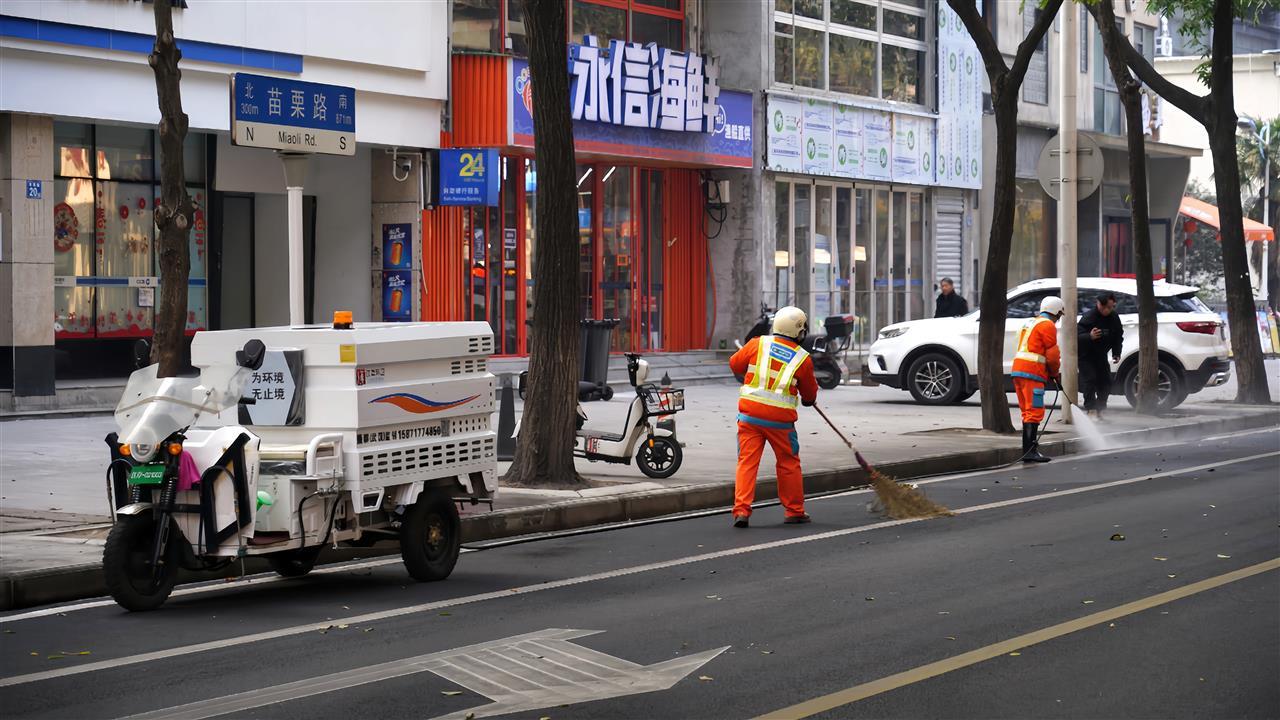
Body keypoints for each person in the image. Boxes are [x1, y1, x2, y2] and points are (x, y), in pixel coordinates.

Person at [728, 306, 818, 528]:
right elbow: (809, 392)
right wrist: (808, 400)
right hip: (781, 423)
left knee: (747, 463)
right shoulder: (802, 358)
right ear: (799, 331)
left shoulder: (757, 344)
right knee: (788, 463)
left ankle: (741, 511)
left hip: (749, 418)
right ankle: (794, 511)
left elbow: (735, 364)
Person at [1010, 296, 1064, 463]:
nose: (1058, 319)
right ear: (1056, 312)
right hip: (1033, 373)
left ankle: (1027, 451)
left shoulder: (1029, 323)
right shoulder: (1047, 325)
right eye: (1059, 315)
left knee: (1027, 411)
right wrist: (1054, 374)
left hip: (1018, 371)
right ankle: (1030, 452)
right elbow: (1052, 355)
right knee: (1034, 411)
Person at [1077, 292, 1123, 420]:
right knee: (1090, 380)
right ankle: (1091, 409)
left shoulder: (1114, 317)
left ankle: (1100, 409)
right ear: (1098, 304)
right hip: (1086, 356)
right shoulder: (1089, 317)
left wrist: (1116, 352)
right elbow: (1076, 336)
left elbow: (1118, 336)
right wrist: (1089, 336)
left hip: (1101, 355)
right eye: (1104, 307)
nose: (1107, 310)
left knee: (1106, 382)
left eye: (1110, 307)